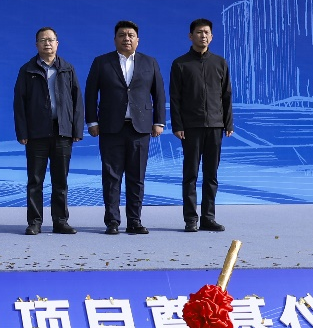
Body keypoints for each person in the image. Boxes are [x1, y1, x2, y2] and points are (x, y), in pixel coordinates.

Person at [84, 21, 166, 235]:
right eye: (122, 35)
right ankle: (112, 221)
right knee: (111, 177)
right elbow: (91, 93)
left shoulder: (150, 62)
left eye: (131, 35)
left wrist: (159, 121)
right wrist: (92, 121)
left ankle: (134, 221)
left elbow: (159, 94)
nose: (126, 38)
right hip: (111, 128)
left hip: (140, 128)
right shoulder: (102, 62)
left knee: (136, 177)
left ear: (138, 40)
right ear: (115, 39)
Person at [12, 27, 84, 235]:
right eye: (43, 40)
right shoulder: (27, 70)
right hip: (37, 133)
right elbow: (19, 103)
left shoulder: (67, 69)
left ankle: (60, 221)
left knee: (60, 180)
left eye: (51, 40)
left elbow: (77, 100)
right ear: (36, 45)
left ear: (57, 44)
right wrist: (22, 132)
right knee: (35, 180)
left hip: (62, 131)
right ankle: (35, 222)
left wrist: (76, 129)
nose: (47, 43)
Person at [170, 18, 234, 232]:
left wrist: (228, 122)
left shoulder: (220, 63)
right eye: (199, 32)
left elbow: (226, 95)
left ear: (211, 37)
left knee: (211, 175)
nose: (203, 36)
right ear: (191, 36)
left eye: (206, 32)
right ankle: (191, 218)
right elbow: (175, 98)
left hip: (215, 126)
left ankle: (208, 217)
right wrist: (178, 125)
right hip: (191, 127)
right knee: (190, 174)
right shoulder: (180, 64)